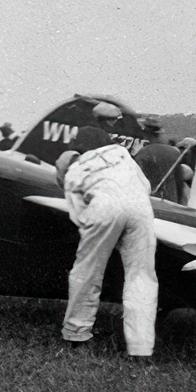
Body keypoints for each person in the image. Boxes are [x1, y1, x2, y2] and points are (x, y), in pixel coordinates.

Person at [54, 126, 157, 360]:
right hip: (140, 206)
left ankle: (76, 335)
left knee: (87, 271)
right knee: (141, 276)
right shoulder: (123, 155)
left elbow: (77, 213)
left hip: (103, 206)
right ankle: (141, 349)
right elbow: (146, 187)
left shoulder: (77, 168)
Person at [133, 139, 186, 203]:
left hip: (146, 198)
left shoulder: (142, 153)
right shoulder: (175, 154)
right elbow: (179, 182)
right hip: (169, 200)